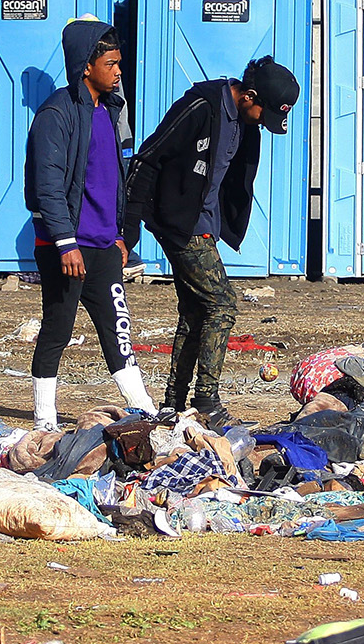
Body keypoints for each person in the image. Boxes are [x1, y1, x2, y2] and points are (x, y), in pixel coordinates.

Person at [123, 56, 300, 426]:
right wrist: (130, 228)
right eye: (262, 114)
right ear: (248, 96)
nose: (263, 126)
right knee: (223, 304)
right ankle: (207, 400)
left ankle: (174, 400)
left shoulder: (246, 124)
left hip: (205, 224)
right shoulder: (201, 107)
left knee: (197, 309)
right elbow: (147, 160)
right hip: (178, 222)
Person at [22, 18, 158, 430]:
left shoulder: (111, 110)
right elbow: (46, 184)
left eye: (120, 63)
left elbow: (111, 178)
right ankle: (44, 419)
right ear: (87, 65)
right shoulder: (55, 114)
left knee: (117, 328)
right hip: (66, 247)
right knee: (57, 329)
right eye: (111, 63)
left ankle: (145, 410)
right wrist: (65, 242)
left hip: (103, 246)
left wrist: (120, 236)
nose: (119, 71)